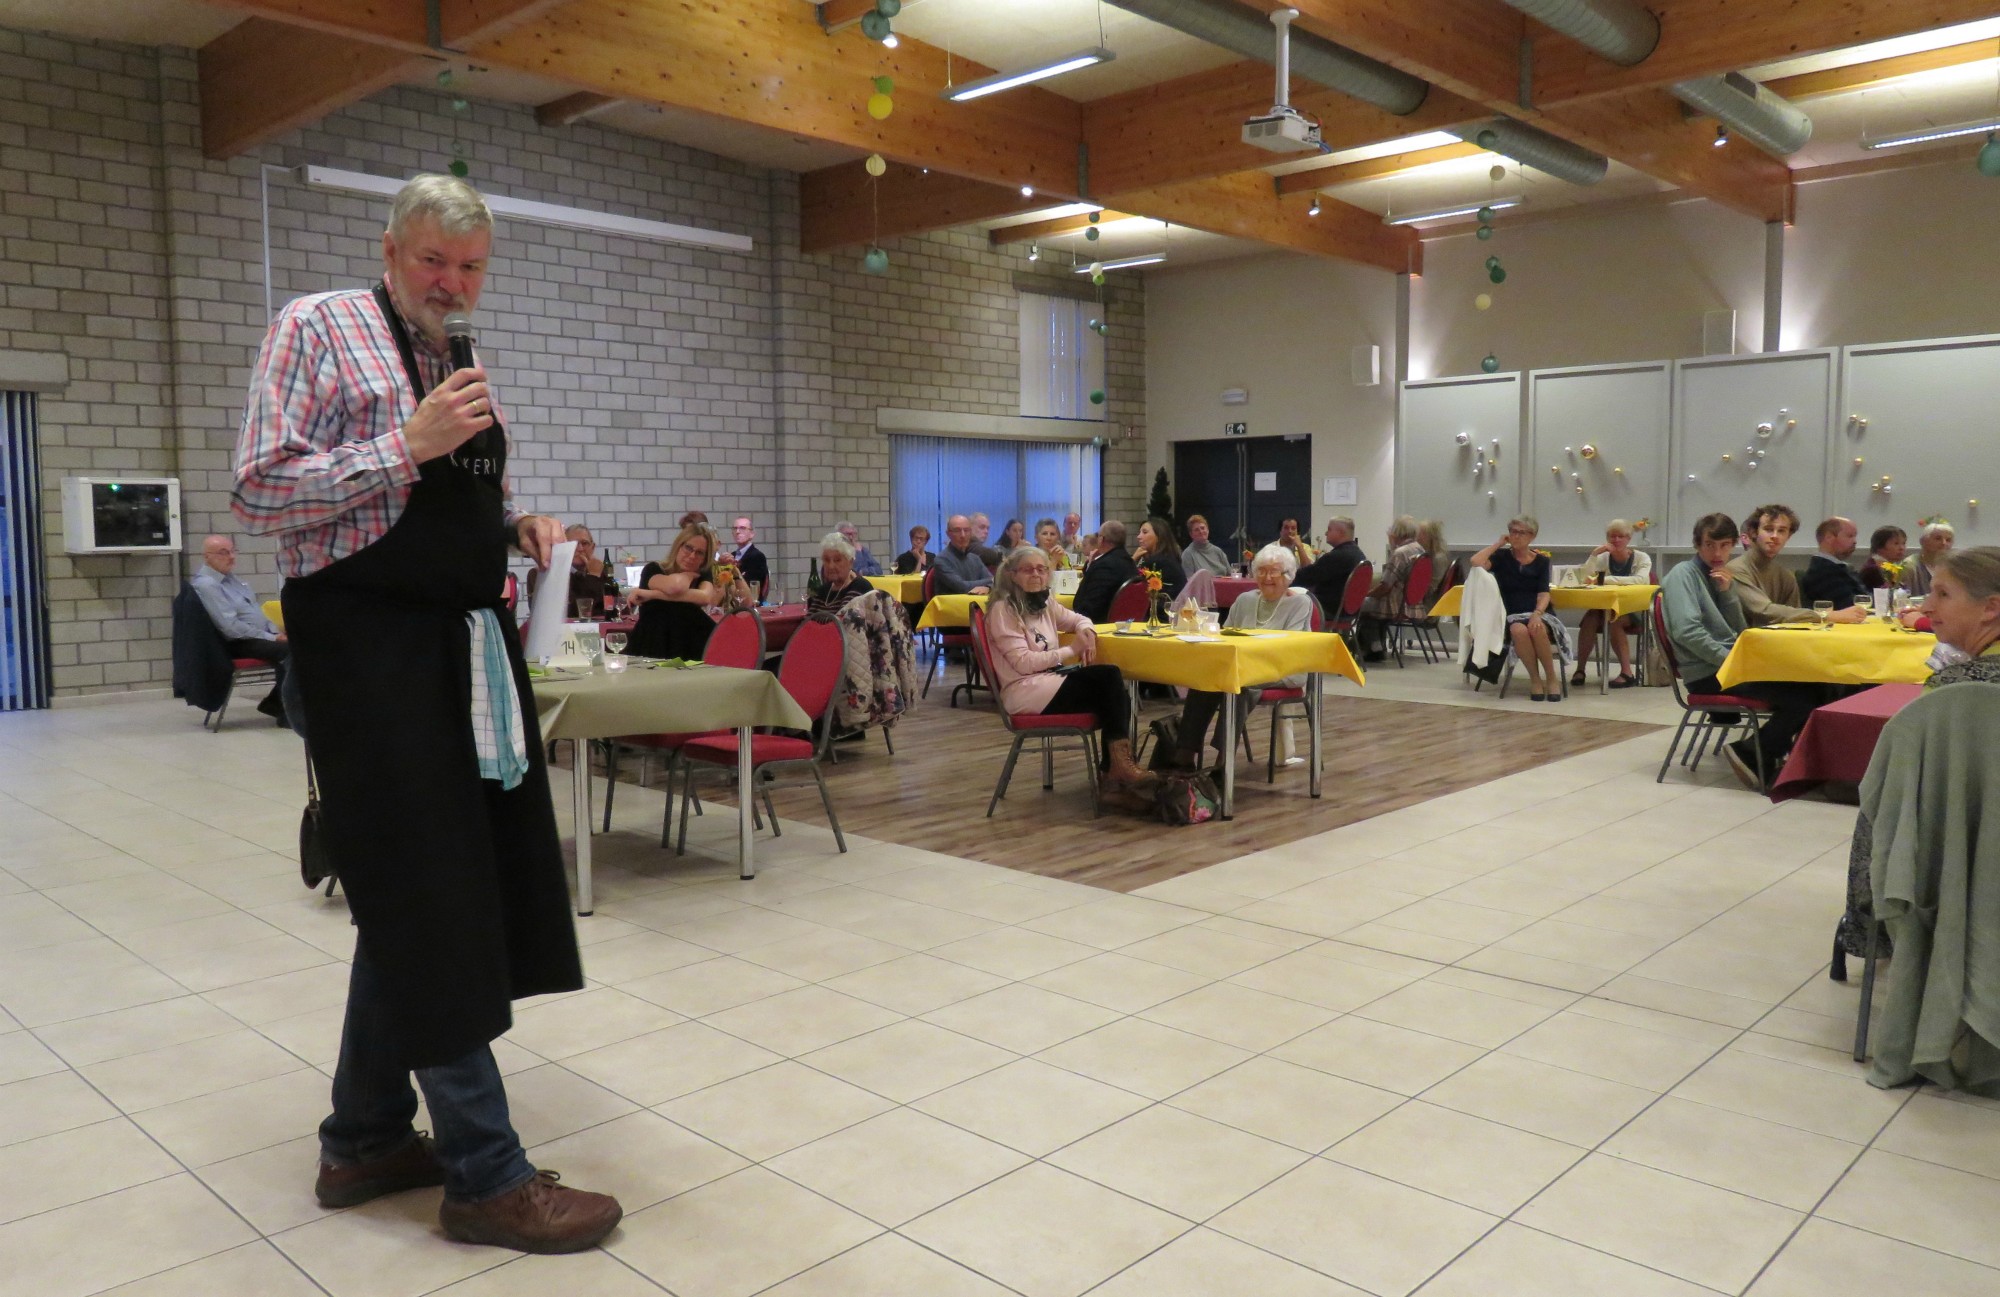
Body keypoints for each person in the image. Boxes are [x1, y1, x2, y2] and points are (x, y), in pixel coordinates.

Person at [231, 174, 620, 1252]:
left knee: (416, 888)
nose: (452, 284)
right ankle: (484, 1176)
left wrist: (519, 526)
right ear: (391, 247)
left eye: (471, 267)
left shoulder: (457, 357)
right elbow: (260, 491)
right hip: (366, 653)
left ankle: (361, 1139)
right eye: (433, 262)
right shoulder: (315, 326)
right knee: (431, 895)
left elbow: (454, 501)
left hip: (459, 651)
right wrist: (401, 445)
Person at [1839, 546, 2000, 968]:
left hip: (1954, 872)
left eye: (1943, 595)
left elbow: (1894, 801)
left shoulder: (1948, 695)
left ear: (1991, 608)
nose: (1927, 606)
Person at [1660, 512, 1828, 793]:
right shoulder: (1683, 575)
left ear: (1734, 544)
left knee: (1817, 686)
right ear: (1697, 544)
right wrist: (1734, 662)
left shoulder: (1721, 576)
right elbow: (1687, 633)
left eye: (1724, 545)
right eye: (1709, 545)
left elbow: (1739, 633)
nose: (1717, 553)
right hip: (1707, 673)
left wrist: (1727, 594)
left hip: (1729, 666)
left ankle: (1777, 757)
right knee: (1803, 697)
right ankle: (1752, 752)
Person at [981, 547, 1156, 809]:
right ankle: (1115, 773)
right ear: (1012, 575)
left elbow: (1080, 620)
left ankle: (1115, 775)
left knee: (1113, 686)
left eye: (1042, 569)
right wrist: (1071, 650)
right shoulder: (1003, 610)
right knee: (1108, 680)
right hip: (1024, 690)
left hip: (1048, 680)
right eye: (1029, 570)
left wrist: (1087, 634)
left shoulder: (1043, 602)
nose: (1037, 575)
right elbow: (1024, 663)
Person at [1171, 545, 1314, 769]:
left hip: (1282, 670)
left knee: (1238, 685)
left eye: (1274, 572)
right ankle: (1185, 753)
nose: (1267, 577)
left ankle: (1223, 759)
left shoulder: (1299, 603)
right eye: (1262, 571)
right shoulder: (1245, 600)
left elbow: (1290, 644)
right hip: (1242, 667)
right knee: (1206, 680)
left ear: (1288, 576)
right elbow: (1225, 635)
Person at [190, 534, 289, 724]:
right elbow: (230, 627)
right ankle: (283, 710)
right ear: (207, 557)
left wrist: (276, 633)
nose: (231, 557)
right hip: (236, 643)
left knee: (302, 645)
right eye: (223, 553)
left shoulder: (232, 579)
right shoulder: (207, 585)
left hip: (254, 637)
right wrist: (271, 638)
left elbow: (254, 612)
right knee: (291, 651)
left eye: (233, 551)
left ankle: (277, 703)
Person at [1727, 504, 1866, 627]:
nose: (1775, 536)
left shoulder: (1785, 575)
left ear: (1788, 536)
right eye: (1768, 529)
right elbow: (1764, 611)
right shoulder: (1736, 569)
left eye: (1782, 531)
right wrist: (1826, 616)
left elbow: (1795, 620)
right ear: (1753, 533)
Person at [1471, 516, 1561, 702]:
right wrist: (1498, 543)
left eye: (1521, 533)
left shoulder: (1541, 561)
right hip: (1511, 614)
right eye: (1513, 532)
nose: (1516, 536)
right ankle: (1535, 680)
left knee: (1536, 628)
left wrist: (1537, 614)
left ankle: (1551, 678)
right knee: (1518, 630)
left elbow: (1544, 593)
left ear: (1532, 536)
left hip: (1538, 612)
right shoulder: (1502, 558)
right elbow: (1476, 561)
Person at [630, 523, 747, 660]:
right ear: (678, 546)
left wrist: (651, 594)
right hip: (652, 645)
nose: (692, 556)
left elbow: (704, 597)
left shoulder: (703, 573)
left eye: (699, 553)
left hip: (688, 645)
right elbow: (675, 587)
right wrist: (687, 576)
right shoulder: (654, 569)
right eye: (688, 548)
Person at [1570, 519, 1653, 689]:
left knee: (1613, 619)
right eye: (1612, 536)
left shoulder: (1641, 558)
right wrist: (1594, 555)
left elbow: (1640, 580)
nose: (1616, 540)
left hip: (1634, 608)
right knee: (1589, 619)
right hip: (1604, 605)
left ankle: (1627, 672)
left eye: (1620, 536)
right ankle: (1580, 669)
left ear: (1628, 539)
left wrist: (1604, 579)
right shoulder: (1603, 558)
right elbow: (1583, 577)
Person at [1353, 516, 1421, 662]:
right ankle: (1376, 646)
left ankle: (1368, 647)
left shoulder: (1400, 553)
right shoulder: (1419, 549)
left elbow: (1385, 586)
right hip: (1410, 603)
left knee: (1358, 603)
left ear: (1396, 532)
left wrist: (1366, 594)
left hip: (1395, 604)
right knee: (1369, 604)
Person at [527, 523, 618, 612]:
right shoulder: (543, 573)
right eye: (573, 544)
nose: (580, 549)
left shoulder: (598, 571)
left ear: (592, 547)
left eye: (585, 543)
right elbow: (573, 611)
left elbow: (616, 606)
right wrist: (593, 577)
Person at [1295, 517, 1366, 626]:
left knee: (1289, 601)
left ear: (1340, 533)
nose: (1326, 533)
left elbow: (1305, 577)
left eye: (1329, 529)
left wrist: (1283, 578)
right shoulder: (1358, 554)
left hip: (1329, 609)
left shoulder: (1338, 556)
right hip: (1348, 611)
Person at [1072, 520, 1139, 623]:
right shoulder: (1130, 562)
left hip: (1098, 625)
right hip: (1125, 623)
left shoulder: (1104, 566)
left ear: (1101, 540)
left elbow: (1089, 608)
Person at [1799, 516, 1868, 611]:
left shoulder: (1838, 567)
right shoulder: (1822, 572)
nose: (1855, 541)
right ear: (1829, 538)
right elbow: (1848, 605)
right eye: (1850, 536)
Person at [808, 532, 873, 617]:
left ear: (850, 562)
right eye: (827, 560)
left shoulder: (860, 588)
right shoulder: (823, 591)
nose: (831, 566)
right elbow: (806, 624)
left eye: (837, 560)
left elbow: (846, 625)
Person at [934, 515, 994, 595]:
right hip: (952, 606)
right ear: (948, 534)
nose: (963, 535)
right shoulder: (941, 560)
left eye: (966, 530)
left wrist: (988, 587)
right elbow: (962, 587)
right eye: (957, 530)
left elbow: (995, 584)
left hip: (976, 605)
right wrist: (991, 581)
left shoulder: (975, 559)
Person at [1134, 517, 1186, 600]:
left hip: (1162, 610)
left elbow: (1130, 588)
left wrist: (1133, 560)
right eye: (1139, 532)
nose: (1139, 536)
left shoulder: (1156, 562)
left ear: (1159, 536)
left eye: (1144, 532)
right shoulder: (1169, 557)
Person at [1903, 519, 1955, 596]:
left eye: (1948, 540)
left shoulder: (1953, 567)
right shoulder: (1909, 566)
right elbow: (1902, 598)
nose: (1944, 543)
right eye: (1938, 538)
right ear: (1922, 541)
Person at [729, 516, 769, 599]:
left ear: (752, 534)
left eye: (742, 528)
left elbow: (752, 586)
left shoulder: (757, 557)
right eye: (735, 528)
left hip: (750, 603)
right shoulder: (731, 556)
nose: (737, 531)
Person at [1860, 525, 1907, 591]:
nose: (1901, 548)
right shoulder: (1872, 570)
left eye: (1903, 543)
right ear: (1880, 547)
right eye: (1896, 543)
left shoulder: (1893, 567)